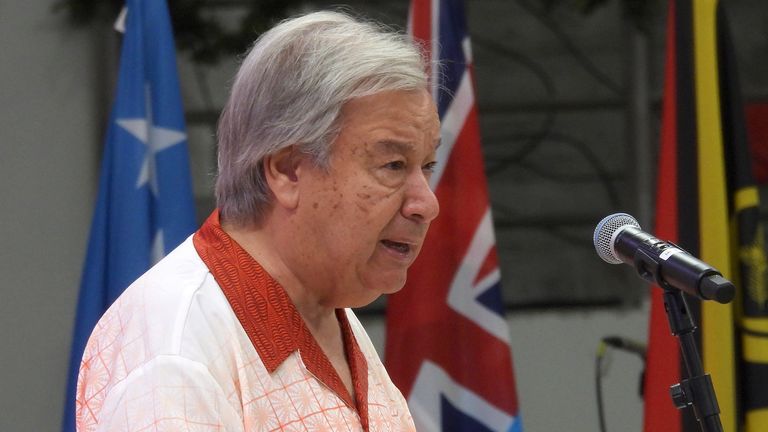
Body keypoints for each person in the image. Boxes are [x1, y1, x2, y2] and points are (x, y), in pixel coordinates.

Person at [75, 10, 440, 432]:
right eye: (393, 165)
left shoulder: (326, 304)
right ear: (286, 171)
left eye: (426, 165)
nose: (425, 204)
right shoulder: (175, 354)